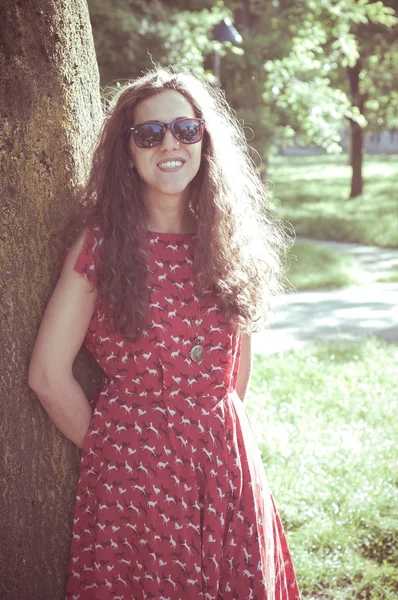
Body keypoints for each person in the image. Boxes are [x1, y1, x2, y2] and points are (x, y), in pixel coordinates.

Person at [28, 67, 301, 600]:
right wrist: (122, 448)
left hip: (227, 468)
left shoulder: (227, 239)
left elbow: (234, 373)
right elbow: (46, 374)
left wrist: (206, 443)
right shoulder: (102, 245)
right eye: (149, 134)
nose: (169, 144)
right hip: (136, 482)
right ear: (126, 152)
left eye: (185, 129)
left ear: (205, 139)